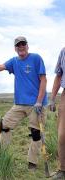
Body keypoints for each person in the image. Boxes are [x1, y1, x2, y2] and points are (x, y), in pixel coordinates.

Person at [0, 36, 47, 170]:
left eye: (23, 44)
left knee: (36, 133)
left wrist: (39, 101)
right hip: (19, 104)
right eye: (18, 45)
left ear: (27, 46)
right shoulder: (14, 61)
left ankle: (32, 163)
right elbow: (0, 67)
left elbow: (43, 80)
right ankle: (2, 155)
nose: (21, 47)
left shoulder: (36, 58)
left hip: (36, 104)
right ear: (15, 48)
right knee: (4, 125)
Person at [49, 47, 65, 179]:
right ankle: (62, 169)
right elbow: (59, 76)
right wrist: (52, 99)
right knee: (62, 134)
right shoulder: (63, 52)